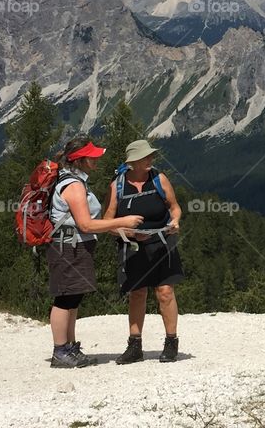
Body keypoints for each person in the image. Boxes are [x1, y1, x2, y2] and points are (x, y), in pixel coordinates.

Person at [47, 136, 144, 368]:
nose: (96, 160)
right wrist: (122, 221)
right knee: (65, 297)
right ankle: (60, 350)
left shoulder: (71, 180)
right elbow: (86, 224)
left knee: (73, 295)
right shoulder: (74, 185)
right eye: (91, 157)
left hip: (72, 244)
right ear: (80, 160)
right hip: (70, 246)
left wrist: (114, 226)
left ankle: (69, 347)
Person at [104, 139, 185, 364]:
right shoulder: (117, 186)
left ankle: (171, 343)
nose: (151, 159)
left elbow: (174, 206)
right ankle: (135, 345)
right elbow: (107, 222)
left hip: (161, 242)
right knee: (137, 293)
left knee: (165, 291)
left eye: (150, 156)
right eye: (145, 157)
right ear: (133, 162)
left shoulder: (159, 179)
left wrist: (176, 220)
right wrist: (129, 233)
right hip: (132, 246)